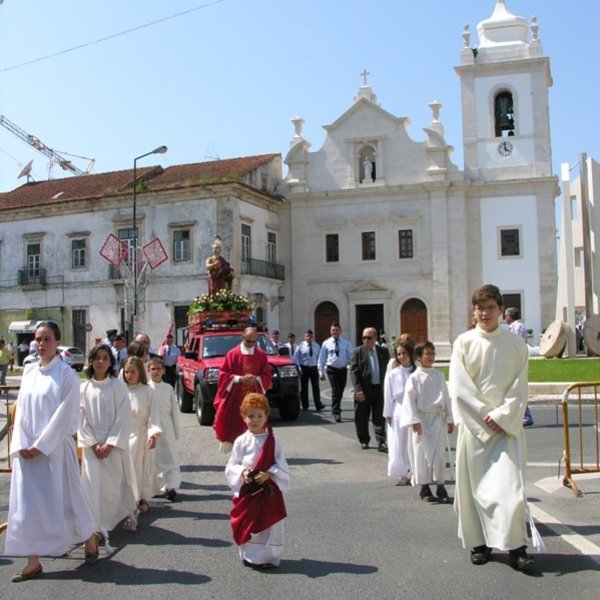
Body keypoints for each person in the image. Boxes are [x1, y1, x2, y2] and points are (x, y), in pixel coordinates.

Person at [449, 284, 538, 572]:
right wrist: (485, 416)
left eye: (490, 307)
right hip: (474, 430)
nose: (485, 313)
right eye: (480, 307)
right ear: (473, 311)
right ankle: (480, 543)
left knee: (510, 490)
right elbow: (460, 387)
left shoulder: (516, 345)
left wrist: (501, 416)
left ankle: (516, 547)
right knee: (473, 491)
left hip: (505, 430)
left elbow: (519, 388)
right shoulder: (463, 343)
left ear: (501, 309)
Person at [4, 321, 98, 582]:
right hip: (27, 452)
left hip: (54, 450)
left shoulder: (66, 375)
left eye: (46, 339)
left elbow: (65, 413)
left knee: (68, 500)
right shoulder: (30, 371)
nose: (41, 344)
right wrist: (22, 443)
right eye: (38, 339)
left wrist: (42, 445)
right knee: (27, 506)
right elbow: (20, 410)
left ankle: (89, 538)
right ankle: (33, 561)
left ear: (57, 343)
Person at [79, 343, 138, 542]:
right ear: (91, 361)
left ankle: (115, 518)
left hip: (113, 445)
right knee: (92, 486)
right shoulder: (84, 388)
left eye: (105, 358)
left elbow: (123, 416)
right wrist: (93, 444)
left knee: (113, 487)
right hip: (92, 445)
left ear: (111, 362)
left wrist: (110, 443)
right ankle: (94, 526)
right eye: (97, 358)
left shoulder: (118, 387)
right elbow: (81, 418)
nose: (101, 361)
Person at [225, 393, 289, 570]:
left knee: (269, 525)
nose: (255, 420)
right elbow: (232, 464)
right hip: (249, 491)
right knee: (248, 524)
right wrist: (243, 472)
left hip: (268, 491)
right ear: (243, 417)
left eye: (259, 416)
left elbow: (281, 463)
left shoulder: (273, 441)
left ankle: (268, 556)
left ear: (266, 416)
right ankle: (249, 555)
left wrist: (270, 474)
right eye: (251, 416)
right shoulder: (241, 441)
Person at [402, 341, 454, 502]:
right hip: (422, 420)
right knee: (422, 454)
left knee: (439, 454)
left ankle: (440, 485)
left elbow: (446, 398)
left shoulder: (439, 376)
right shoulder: (414, 378)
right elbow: (409, 400)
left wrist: (450, 418)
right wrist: (413, 419)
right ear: (419, 357)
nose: (431, 357)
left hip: (437, 419)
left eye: (433, 353)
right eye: (427, 354)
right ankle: (424, 486)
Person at [213, 326, 272, 452]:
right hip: (236, 395)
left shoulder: (260, 355)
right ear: (242, 337)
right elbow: (223, 373)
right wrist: (239, 379)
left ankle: (256, 450)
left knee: (255, 419)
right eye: (248, 341)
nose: (251, 344)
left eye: (253, 341)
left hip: (254, 394)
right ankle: (234, 451)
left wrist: (256, 379)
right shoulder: (233, 354)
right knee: (235, 422)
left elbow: (266, 374)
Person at [123, 356, 162, 515]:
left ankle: (142, 498)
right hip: (123, 435)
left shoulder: (147, 392)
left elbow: (154, 415)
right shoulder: (120, 390)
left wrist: (152, 434)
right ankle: (125, 499)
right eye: (126, 372)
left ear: (139, 372)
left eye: (132, 372)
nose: (129, 375)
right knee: (125, 468)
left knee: (141, 468)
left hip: (141, 435)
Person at [349, 327, 390, 451]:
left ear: (375, 338)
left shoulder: (383, 351)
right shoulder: (358, 352)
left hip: (379, 389)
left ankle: (381, 441)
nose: (366, 340)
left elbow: (389, 370)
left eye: (369, 337)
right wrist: (358, 389)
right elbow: (353, 372)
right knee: (361, 416)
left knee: (379, 417)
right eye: (364, 337)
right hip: (363, 390)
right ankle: (364, 440)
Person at [148, 356, 181, 502]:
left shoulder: (168, 389)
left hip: (166, 426)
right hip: (151, 427)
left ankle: (171, 486)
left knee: (170, 457)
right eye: (153, 369)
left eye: (158, 369)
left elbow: (174, 411)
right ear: (148, 370)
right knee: (154, 459)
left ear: (163, 371)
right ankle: (155, 487)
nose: (155, 372)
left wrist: (176, 430)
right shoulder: (146, 389)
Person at [383, 340, 416, 485]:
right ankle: (402, 473)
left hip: (415, 410)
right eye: (399, 354)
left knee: (415, 442)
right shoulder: (393, 374)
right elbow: (388, 394)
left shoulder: (418, 371)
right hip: (399, 410)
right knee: (399, 442)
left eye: (404, 353)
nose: (402, 356)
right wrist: (388, 413)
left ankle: (418, 471)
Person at [504, 307, 534, 427]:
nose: (504, 317)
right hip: (513, 361)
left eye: (506, 315)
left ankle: (526, 416)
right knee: (514, 390)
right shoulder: (514, 328)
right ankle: (521, 416)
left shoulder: (517, 327)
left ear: (510, 316)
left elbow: (517, 345)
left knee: (517, 389)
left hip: (516, 362)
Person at [318, 323, 353, 423]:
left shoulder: (346, 343)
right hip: (331, 369)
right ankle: (336, 411)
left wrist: (352, 367)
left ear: (340, 331)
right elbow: (321, 358)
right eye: (333, 330)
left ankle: (336, 408)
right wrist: (321, 372)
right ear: (330, 331)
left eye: (337, 330)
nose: (335, 332)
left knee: (340, 390)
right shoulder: (326, 343)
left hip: (342, 369)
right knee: (335, 389)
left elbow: (351, 356)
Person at [293, 329, 324, 412]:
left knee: (316, 387)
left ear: (313, 337)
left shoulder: (316, 346)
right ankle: (305, 405)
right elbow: (296, 358)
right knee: (304, 387)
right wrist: (298, 367)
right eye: (307, 336)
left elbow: (319, 358)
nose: (309, 338)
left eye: (311, 336)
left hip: (314, 368)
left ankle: (318, 405)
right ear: (305, 337)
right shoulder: (301, 346)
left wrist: (320, 369)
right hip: (304, 368)